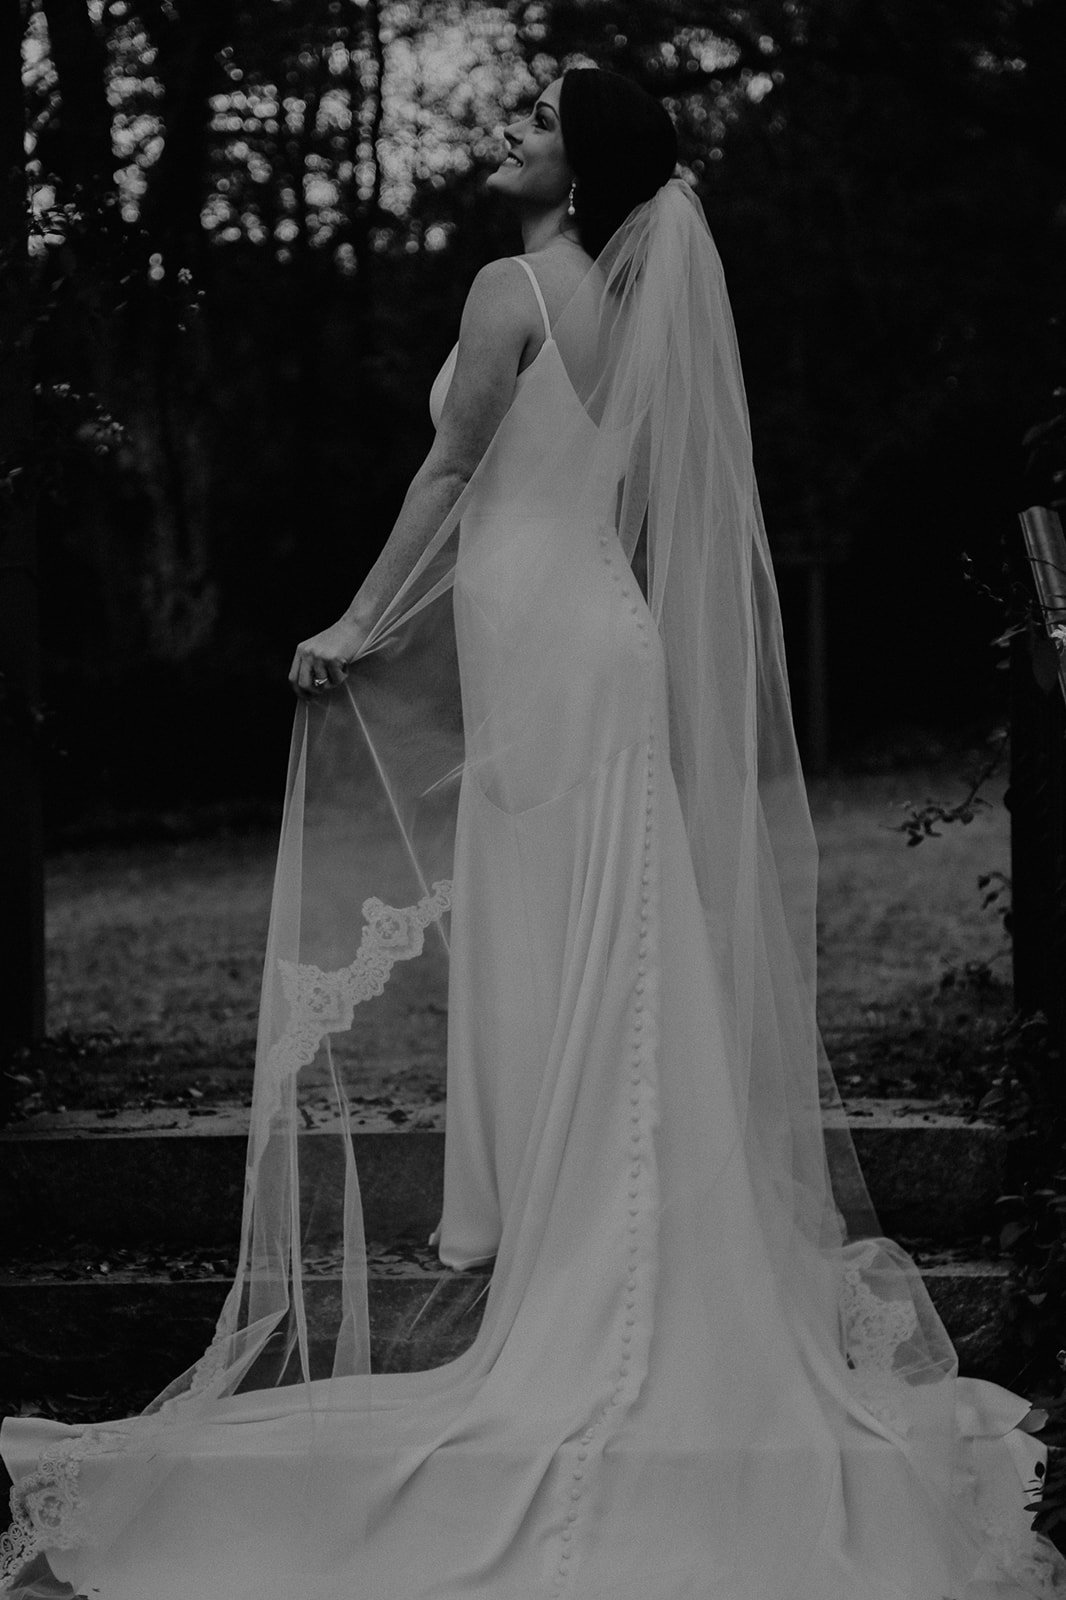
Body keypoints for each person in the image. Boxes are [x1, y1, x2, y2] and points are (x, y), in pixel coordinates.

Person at [3, 66, 1064, 1600]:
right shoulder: (642, 308)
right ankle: (612, 1242)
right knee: (609, 937)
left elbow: (450, 469)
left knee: (581, 932)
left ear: (581, 173)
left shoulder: (513, 285)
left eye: (532, 123)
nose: (504, 132)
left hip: (545, 638)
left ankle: (593, 1273)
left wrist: (356, 619)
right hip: (588, 630)